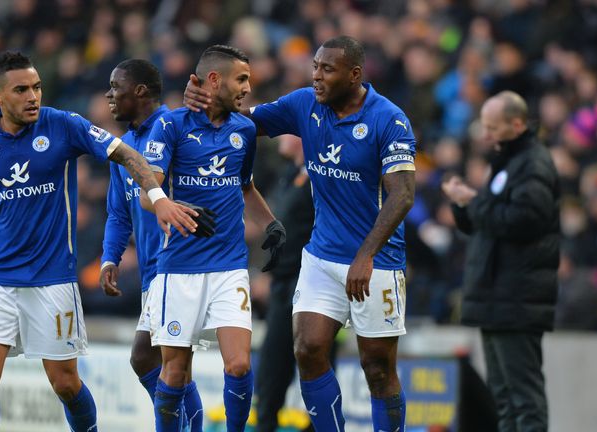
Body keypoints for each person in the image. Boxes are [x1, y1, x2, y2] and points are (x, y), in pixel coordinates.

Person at [0, 51, 202, 432]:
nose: (33, 96)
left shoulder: (64, 125)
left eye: (36, 87)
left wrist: (159, 197)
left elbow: (127, 154)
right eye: (21, 89)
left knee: (65, 382)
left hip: (52, 278)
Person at [186, 36, 415, 432]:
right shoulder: (304, 104)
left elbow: (403, 195)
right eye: (315, 67)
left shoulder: (388, 119)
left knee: (377, 368)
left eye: (327, 69)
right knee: (308, 349)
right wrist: (211, 99)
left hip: (375, 262)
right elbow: (246, 121)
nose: (317, 77)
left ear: (355, 75)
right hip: (322, 257)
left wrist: (366, 254)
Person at [141, 45, 286, 432]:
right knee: (174, 370)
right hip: (180, 269)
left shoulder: (244, 130)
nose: (247, 87)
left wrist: (271, 224)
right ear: (215, 80)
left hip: (229, 266)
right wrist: (170, 207)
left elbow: (245, 186)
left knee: (239, 364)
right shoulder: (171, 126)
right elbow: (147, 191)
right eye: (241, 79)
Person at [99, 58, 208, 431]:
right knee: (160, 364)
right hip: (151, 271)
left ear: (140, 91)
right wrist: (110, 258)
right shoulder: (123, 149)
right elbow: (118, 213)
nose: (109, 95)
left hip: (179, 265)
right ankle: (191, 425)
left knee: (150, 359)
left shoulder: (174, 125)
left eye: (115, 87)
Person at [442, 90, 559, 432]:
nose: (486, 134)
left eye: (493, 127)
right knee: (503, 398)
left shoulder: (533, 162)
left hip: (517, 298)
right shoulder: (508, 162)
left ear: (518, 124)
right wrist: (464, 205)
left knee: (523, 398)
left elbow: (525, 220)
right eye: (484, 126)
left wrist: (475, 203)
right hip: (496, 297)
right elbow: (488, 222)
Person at [255, 134, 316, 432]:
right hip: (282, 283)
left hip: (306, 283)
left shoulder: (319, 177)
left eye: (287, 130)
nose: (278, 135)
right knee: (272, 367)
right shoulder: (289, 175)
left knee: (308, 360)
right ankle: (266, 424)